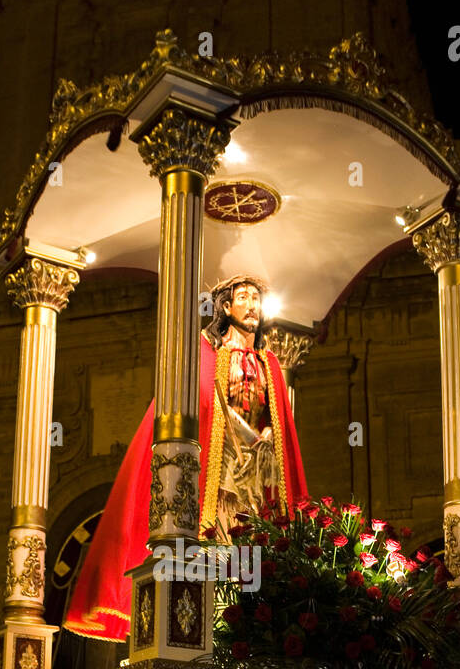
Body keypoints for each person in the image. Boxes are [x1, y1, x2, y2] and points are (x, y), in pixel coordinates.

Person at [65, 273, 307, 640]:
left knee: (254, 537)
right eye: (243, 297)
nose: (253, 305)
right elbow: (207, 405)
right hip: (221, 465)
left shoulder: (269, 362)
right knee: (220, 534)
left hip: (259, 468)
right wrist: (239, 432)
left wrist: (269, 433)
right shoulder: (205, 355)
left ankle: (249, 616)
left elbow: (278, 418)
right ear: (226, 307)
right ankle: (214, 616)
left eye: (256, 298)